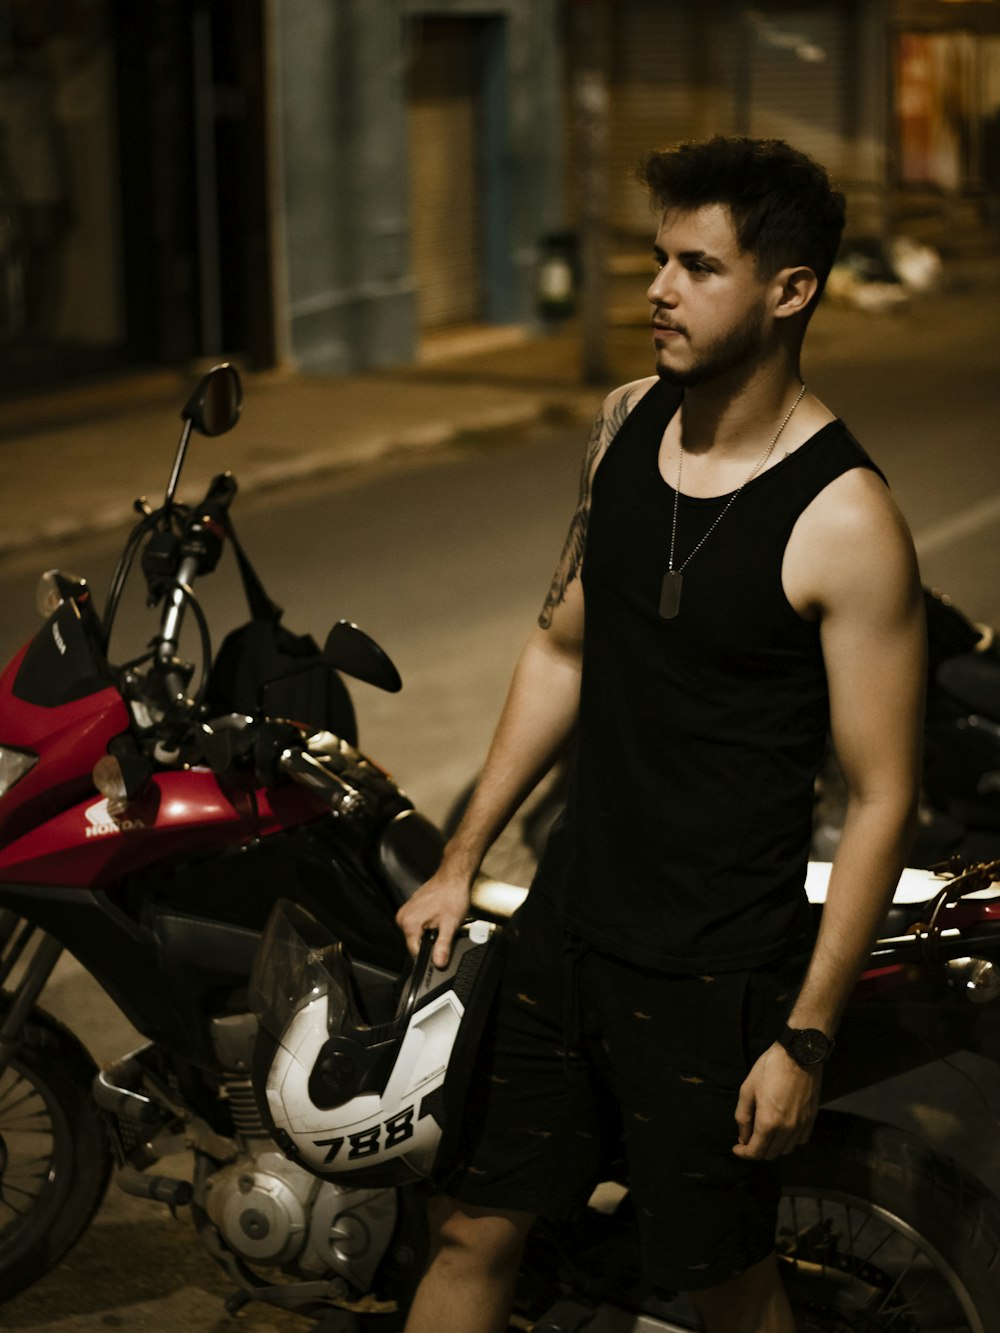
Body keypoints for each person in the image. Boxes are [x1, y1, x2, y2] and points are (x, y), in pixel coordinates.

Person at [396, 136, 926, 1333]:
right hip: (569, 925)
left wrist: (804, 1032)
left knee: (717, 1283)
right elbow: (561, 646)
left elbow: (883, 791)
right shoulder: (624, 422)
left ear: (789, 289)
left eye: (699, 265)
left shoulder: (845, 519)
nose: (658, 289)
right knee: (471, 1222)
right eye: (656, 260)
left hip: (711, 968)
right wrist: (461, 855)